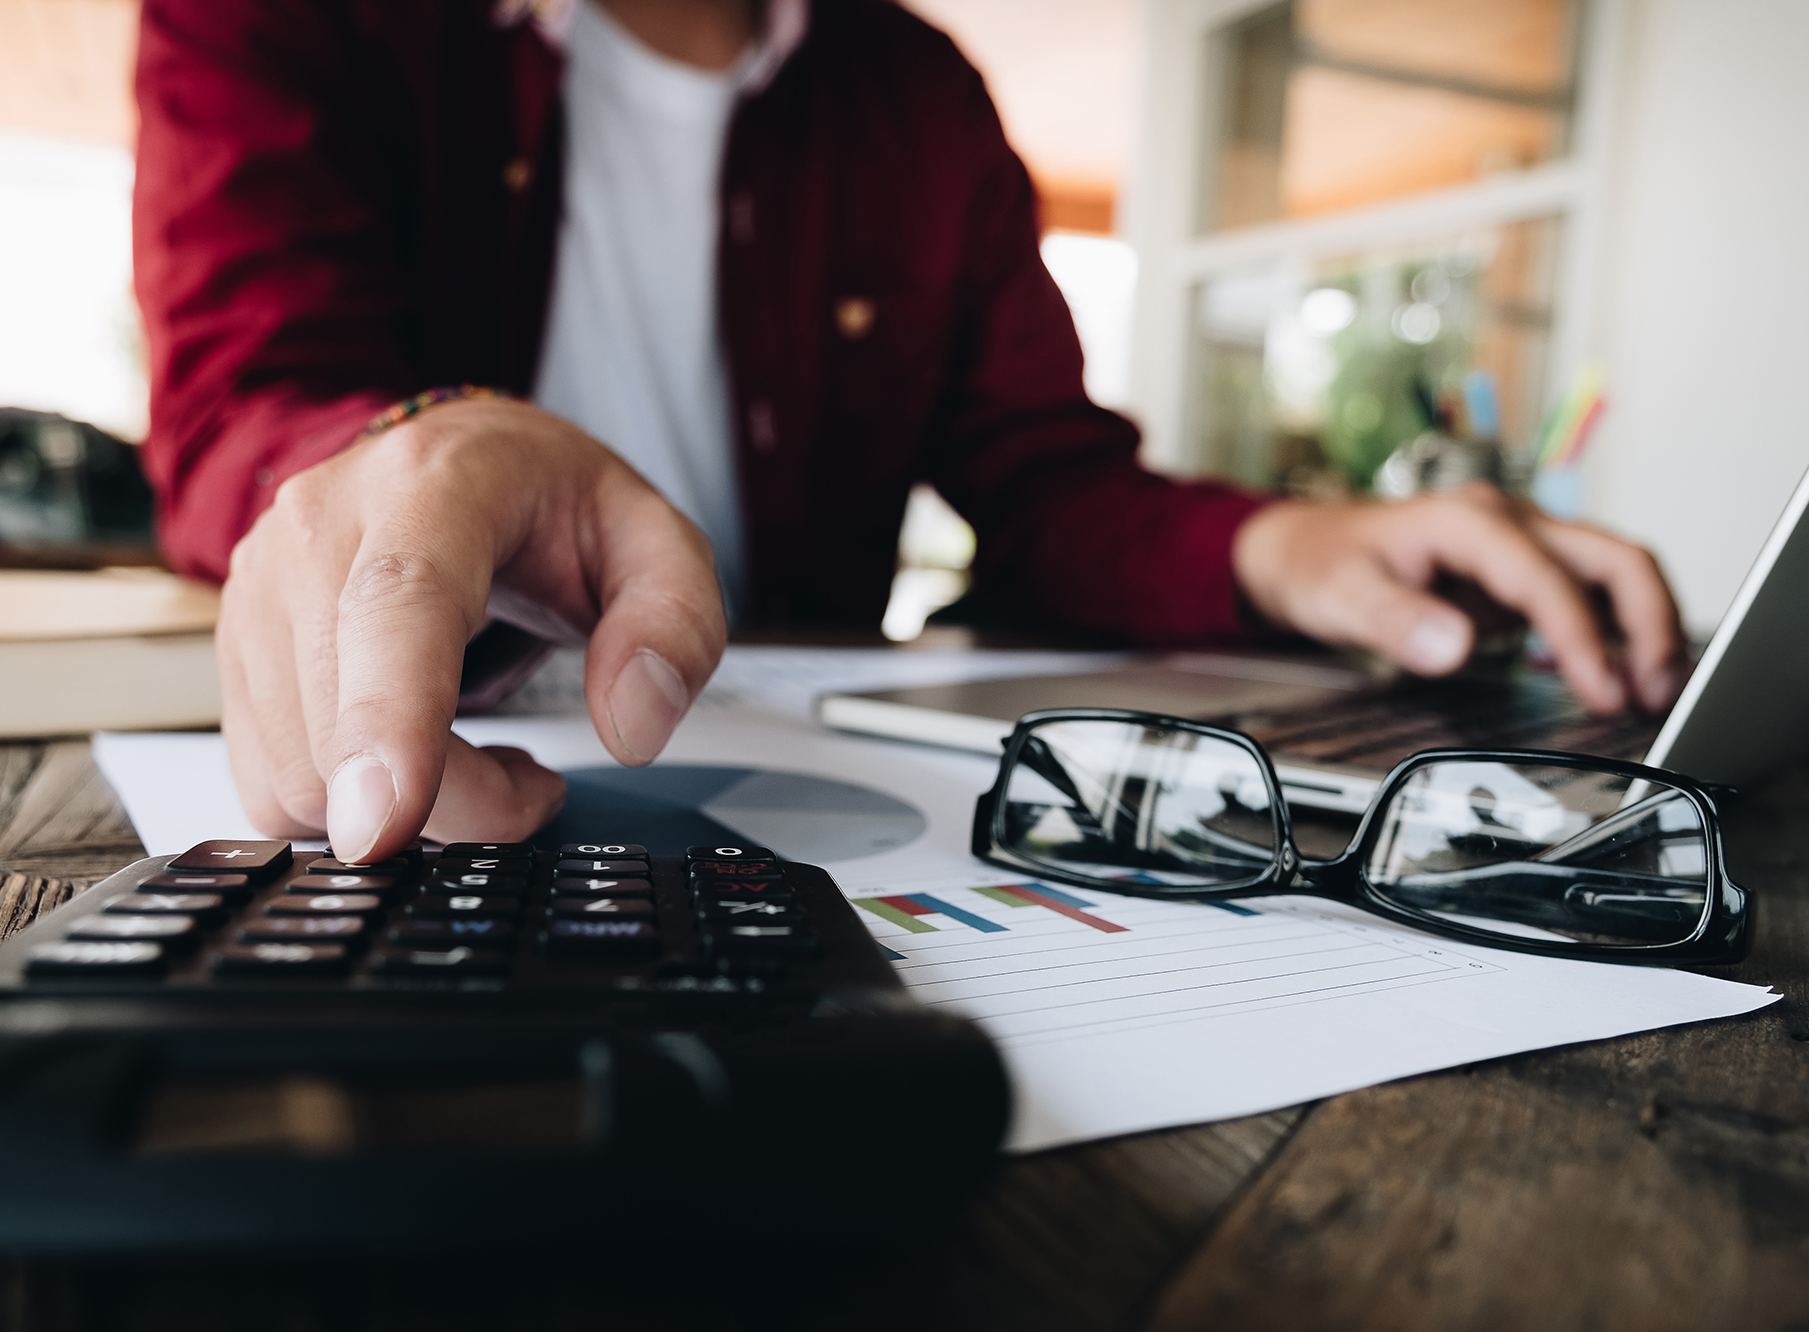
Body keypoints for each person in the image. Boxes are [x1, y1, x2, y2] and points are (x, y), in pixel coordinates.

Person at [133, 0, 1687, 865]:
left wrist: (1283, 540)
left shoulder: (920, 97)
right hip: (437, 757)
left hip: (806, 760)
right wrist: (417, 447)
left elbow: (1044, 479)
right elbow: (237, 397)